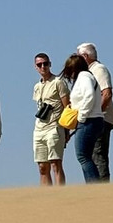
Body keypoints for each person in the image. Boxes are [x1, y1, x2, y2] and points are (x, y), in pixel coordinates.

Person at [75, 43, 113, 182]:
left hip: (100, 119)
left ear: (85, 56)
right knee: (89, 155)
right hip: (94, 118)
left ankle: (101, 189)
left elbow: (107, 93)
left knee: (97, 155)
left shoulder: (98, 69)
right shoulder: (87, 72)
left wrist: (97, 113)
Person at [61, 54, 104, 183]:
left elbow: (89, 96)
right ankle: (93, 185)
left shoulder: (84, 76)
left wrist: (81, 117)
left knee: (83, 156)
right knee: (86, 156)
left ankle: (94, 187)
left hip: (89, 120)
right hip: (93, 120)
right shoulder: (87, 76)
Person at [32, 52, 71, 186]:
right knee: (42, 167)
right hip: (39, 129)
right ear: (35, 67)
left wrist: (66, 130)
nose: (43, 67)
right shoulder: (37, 87)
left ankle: (60, 195)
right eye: (40, 64)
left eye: (45, 63)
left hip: (54, 127)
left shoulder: (58, 82)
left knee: (55, 163)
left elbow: (67, 107)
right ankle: (46, 198)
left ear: (50, 64)